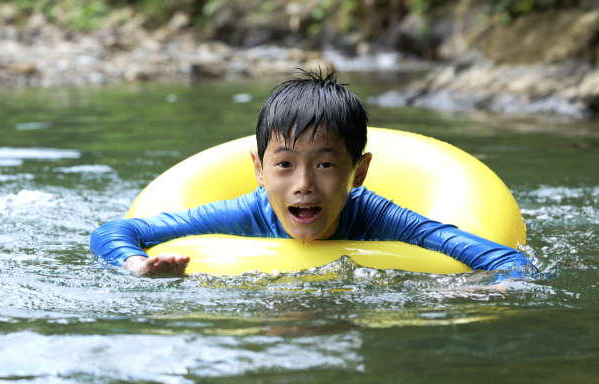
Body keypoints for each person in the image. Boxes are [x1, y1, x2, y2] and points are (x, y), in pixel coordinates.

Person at [90, 69, 533, 277]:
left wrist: (483, 289)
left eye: (324, 164)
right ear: (259, 172)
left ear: (358, 172)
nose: (303, 184)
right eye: (283, 165)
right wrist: (136, 266)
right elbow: (112, 232)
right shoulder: (247, 213)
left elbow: (508, 260)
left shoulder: (379, 217)